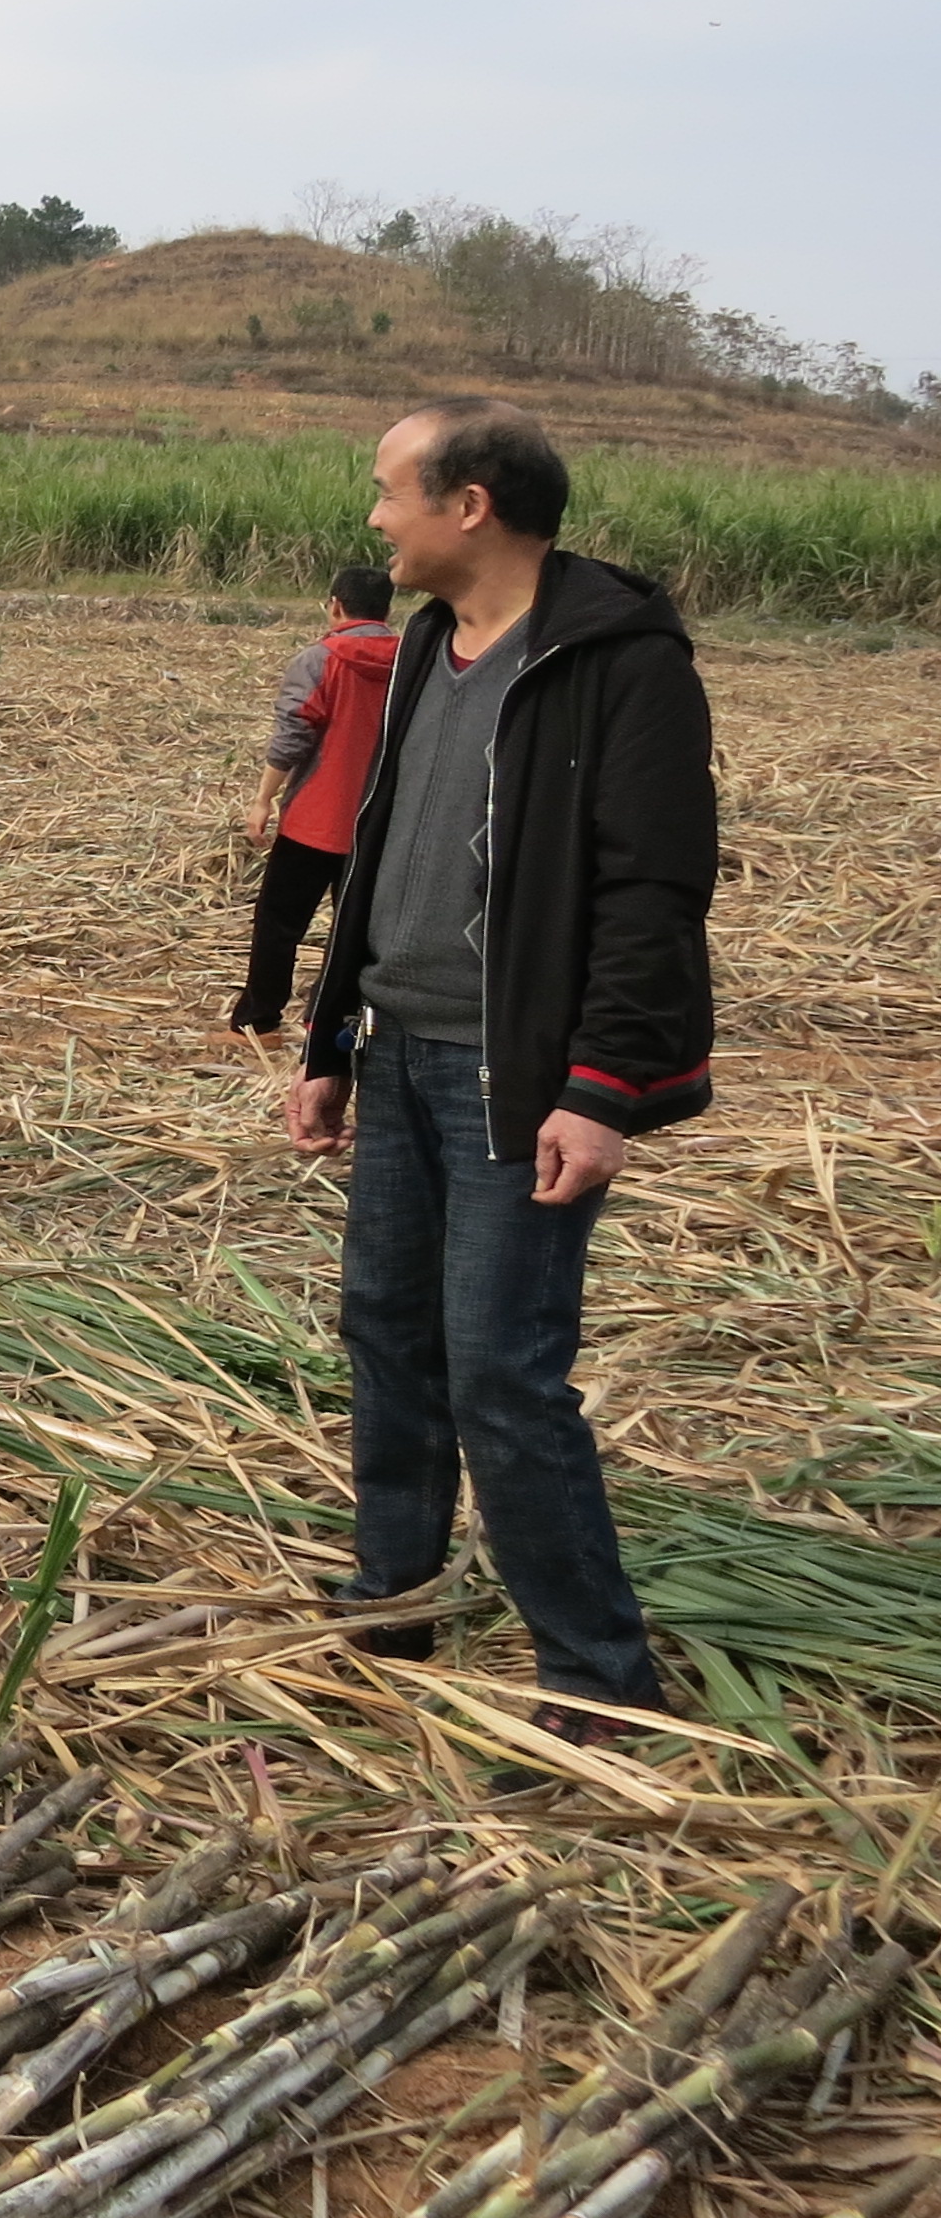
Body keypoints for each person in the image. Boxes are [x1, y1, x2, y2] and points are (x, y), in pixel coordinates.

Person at [288, 400, 714, 1752]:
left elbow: (655, 889)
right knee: (386, 1336)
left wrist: (599, 1090)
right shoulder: (426, 646)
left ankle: (598, 1678)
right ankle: (392, 1592)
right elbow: (379, 849)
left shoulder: (617, 664)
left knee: (503, 1375)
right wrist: (328, 1038)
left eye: (388, 491)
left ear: (470, 504)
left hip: (513, 1076)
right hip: (400, 1050)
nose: (373, 518)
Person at [231, 565, 401, 1035]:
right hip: (377, 822)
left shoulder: (319, 659)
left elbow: (293, 737)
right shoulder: (411, 661)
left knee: (279, 925)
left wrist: (263, 799)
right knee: (352, 930)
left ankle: (257, 1020)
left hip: (313, 818)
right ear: (386, 610)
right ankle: (325, 1021)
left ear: (335, 605)